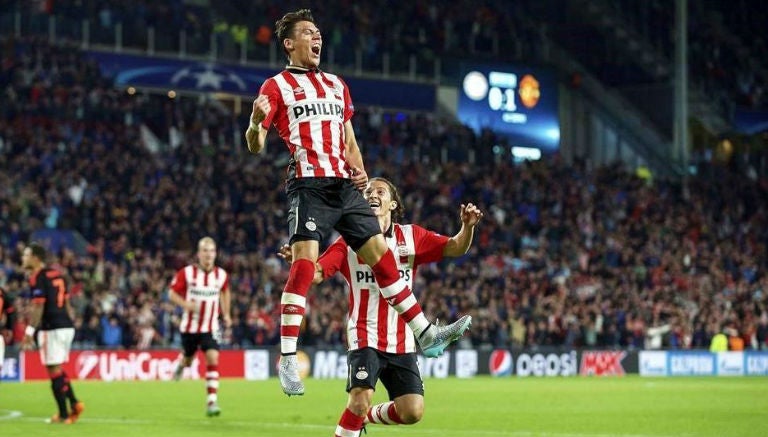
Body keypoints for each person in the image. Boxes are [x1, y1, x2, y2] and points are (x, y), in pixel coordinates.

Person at [244, 8, 472, 396]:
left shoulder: (336, 84)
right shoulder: (275, 86)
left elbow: (348, 139)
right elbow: (255, 145)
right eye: (308, 33)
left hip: (344, 186)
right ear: (289, 43)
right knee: (303, 267)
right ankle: (286, 359)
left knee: (383, 259)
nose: (317, 38)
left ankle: (426, 334)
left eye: (318, 32)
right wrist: (253, 122)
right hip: (309, 185)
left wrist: (361, 172)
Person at [280, 177, 483, 436]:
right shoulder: (347, 242)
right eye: (366, 192)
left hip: (401, 340)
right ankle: (359, 413)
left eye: (380, 191)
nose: (372, 194)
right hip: (365, 334)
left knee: (412, 411)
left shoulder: (411, 236)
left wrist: (467, 227)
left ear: (392, 203)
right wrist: (302, 264)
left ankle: (367, 416)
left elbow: (455, 247)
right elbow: (319, 273)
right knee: (359, 399)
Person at [20, 243, 84, 424]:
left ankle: (65, 413)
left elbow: (39, 305)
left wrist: (29, 331)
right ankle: (74, 404)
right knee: (57, 368)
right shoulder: (58, 274)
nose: (23, 258)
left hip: (52, 326)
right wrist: (69, 320)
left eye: (26, 255)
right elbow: (67, 301)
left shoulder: (37, 277)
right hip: (66, 325)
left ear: (36, 258)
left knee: (53, 370)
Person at [168, 237, 232, 417]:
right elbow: (171, 294)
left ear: (215, 254)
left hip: (210, 327)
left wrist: (226, 314)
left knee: (213, 358)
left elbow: (225, 292)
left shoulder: (221, 275)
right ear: (198, 254)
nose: (208, 254)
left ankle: (212, 402)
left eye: (211, 251)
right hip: (189, 328)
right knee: (188, 360)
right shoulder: (187, 273)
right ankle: (182, 364)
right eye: (205, 250)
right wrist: (185, 304)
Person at [0, 285, 18, 378]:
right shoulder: (2, 292)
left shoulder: (2, 293)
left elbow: (10, 311)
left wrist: (9, 328)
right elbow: (10, 311)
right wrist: (9, 328)